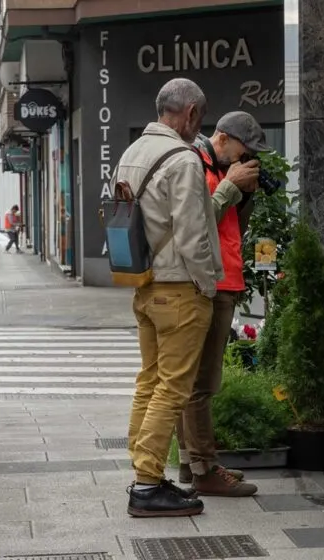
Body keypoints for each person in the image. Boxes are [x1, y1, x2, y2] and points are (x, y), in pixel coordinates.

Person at [120, 78, 222, 518]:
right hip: (180, 287)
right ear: (191, 113)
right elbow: (194, 233)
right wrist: (208, 284)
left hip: (144, 285)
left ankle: (145, 469)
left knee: (150, 380)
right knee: (173, 387)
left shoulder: (131, 154)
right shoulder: (183, 160)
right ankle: (146, 485)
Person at [175, 112, 265, 497]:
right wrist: (229, 186)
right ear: (224, 138)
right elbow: (194, 225)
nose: (245, 158)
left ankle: (188, 462)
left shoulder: (219, 169)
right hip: (208, 284)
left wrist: (244, 195)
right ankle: (204, 468)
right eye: (244, 150)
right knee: (202, 383)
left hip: (224, 278)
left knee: (195, 381)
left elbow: (230, 228)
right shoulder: (194, 165)